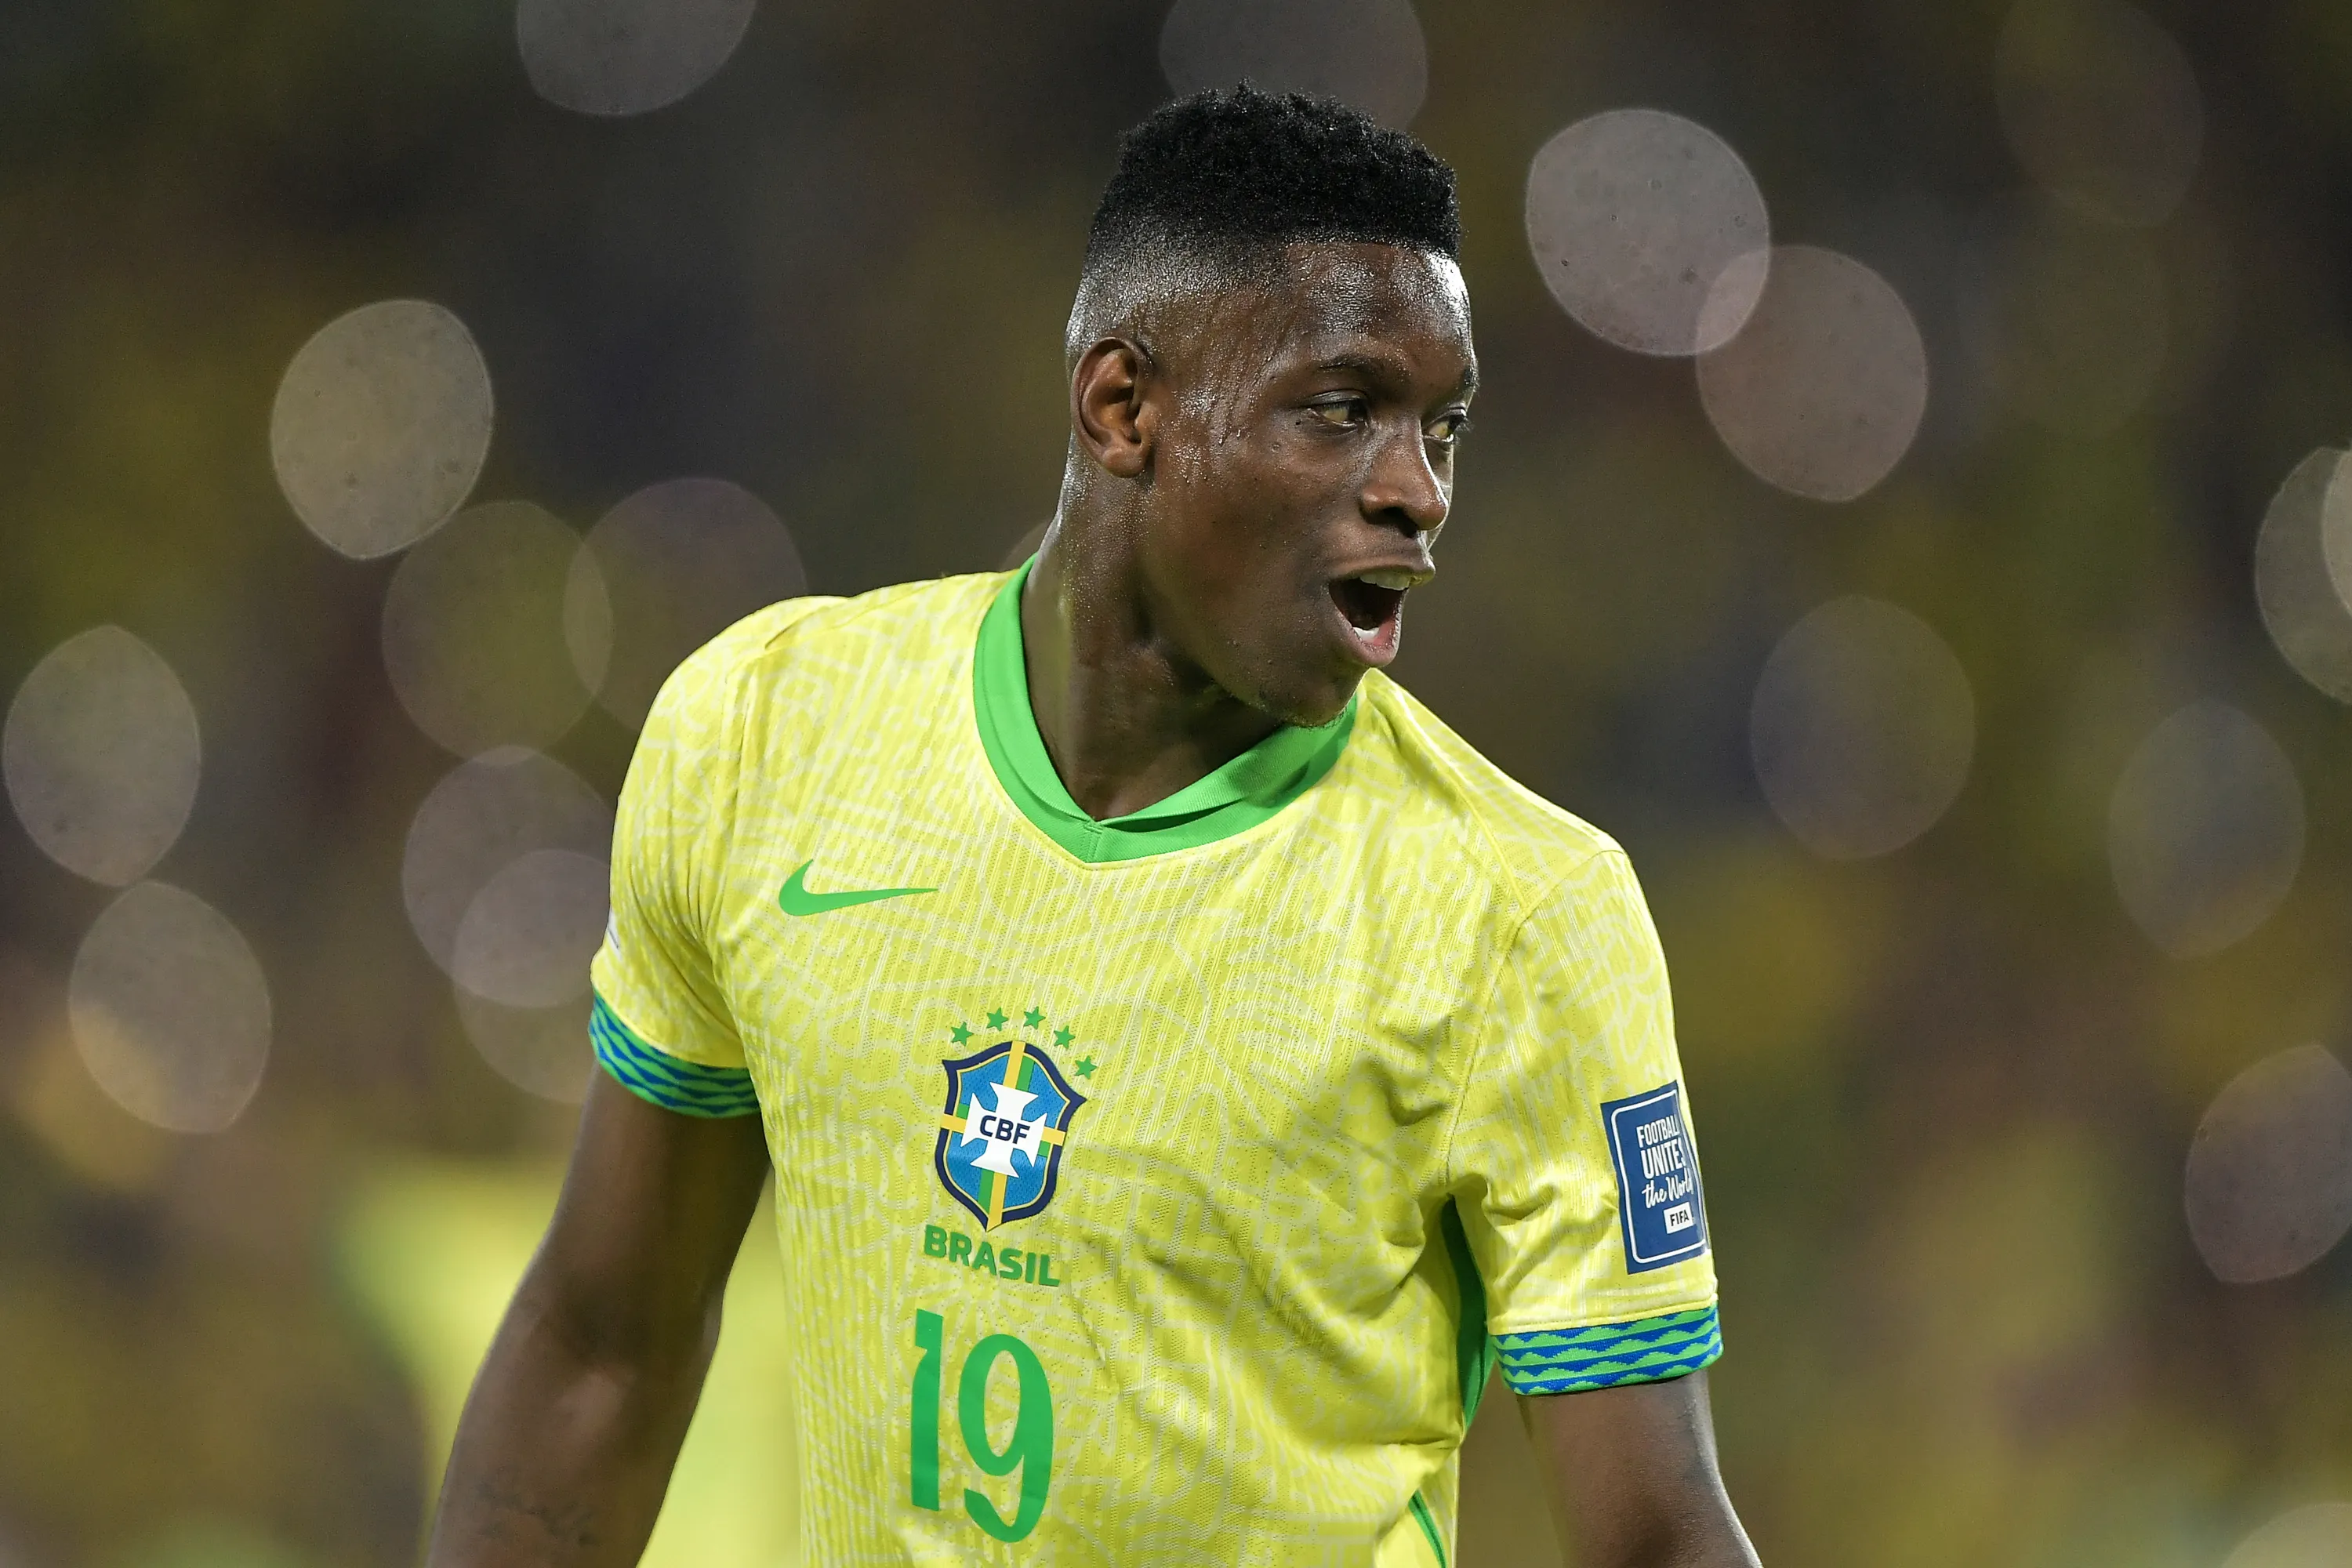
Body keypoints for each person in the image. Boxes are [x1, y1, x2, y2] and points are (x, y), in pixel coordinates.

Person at [428, 86, 1758, 1567]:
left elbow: (1658, 1537)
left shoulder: (1519, 912)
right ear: (1123, 408)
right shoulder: (767, 738)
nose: (1417, 492)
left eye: (1442, 428)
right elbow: (606, 1342)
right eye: (1343, 410)